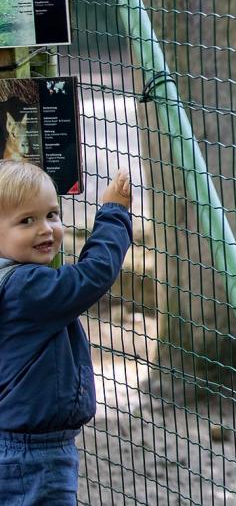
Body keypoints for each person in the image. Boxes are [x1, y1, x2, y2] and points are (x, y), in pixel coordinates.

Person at [0, 160, 132, 504]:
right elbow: (93, 275)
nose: (46, 229)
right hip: (34, 454)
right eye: (27, 220)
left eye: (52, 215)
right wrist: (113, 213)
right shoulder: (26, 288)